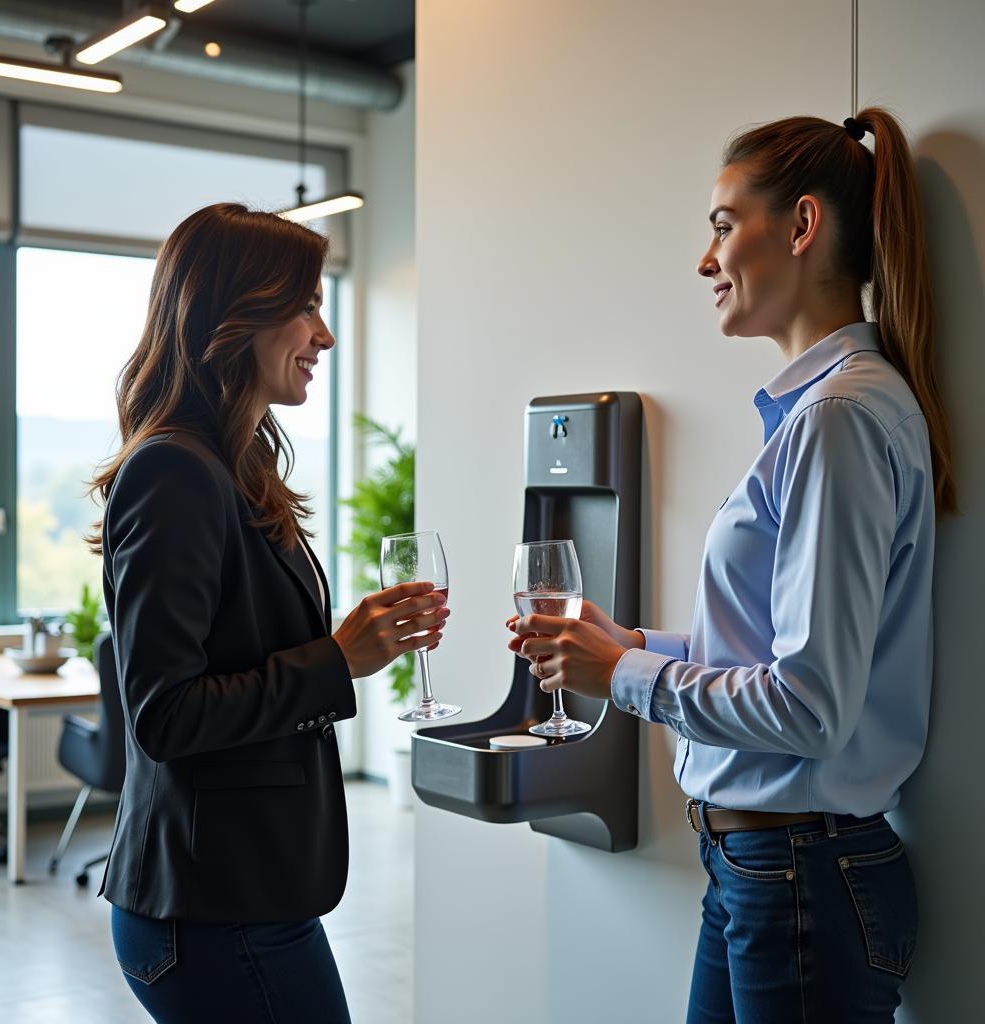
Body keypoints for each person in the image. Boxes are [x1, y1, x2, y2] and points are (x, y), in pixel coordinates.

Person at [508, 109, 955, 1023]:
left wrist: (627, 674)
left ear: (801, 226)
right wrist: (632, 641)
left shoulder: (840, 420)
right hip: (769, 874)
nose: (704, 261)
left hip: (800, 880)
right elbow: (786, 656)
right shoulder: (821, 417)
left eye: (721, 224)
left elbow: (809, 706)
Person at [88, 203, 449, 1023]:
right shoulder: (175, 473)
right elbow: (164, 714)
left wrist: (348, 647)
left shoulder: (235, 464)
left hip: (245, 898)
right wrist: (338, 660)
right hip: (212, 908)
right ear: (236, 313)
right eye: (307, 306)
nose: (323, 335)